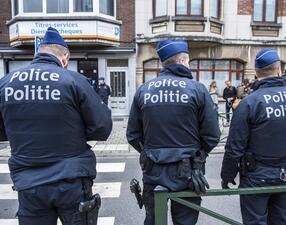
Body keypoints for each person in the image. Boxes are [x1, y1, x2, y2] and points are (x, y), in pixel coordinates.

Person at [0, 27, 112, 225]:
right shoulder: (74, 80)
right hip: (71, 180)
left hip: (28, 182)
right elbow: (102, 127)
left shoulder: (6, 83)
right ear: (65, 57)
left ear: (38, 53)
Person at [127, 40, 220, 225]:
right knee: (185, 221)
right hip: (189, 172)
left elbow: (133, 135)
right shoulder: (198, 90)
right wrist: (198, 155)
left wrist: (149, 152)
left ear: (164, 63)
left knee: (154, 220)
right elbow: (212, 135)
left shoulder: (144, 90)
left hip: (153, 170)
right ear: (184, 61)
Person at [220, 48, 286, 225]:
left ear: (256, 73)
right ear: (279, 70)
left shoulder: (250, 102)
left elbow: (235, 145)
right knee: (280, 219)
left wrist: (227, 174)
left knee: (255, 221)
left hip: (256, 176)